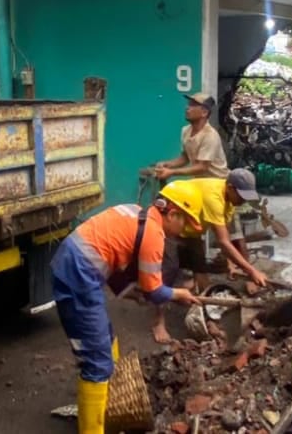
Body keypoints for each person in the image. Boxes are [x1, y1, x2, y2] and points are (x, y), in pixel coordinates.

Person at [51, 182, 203, 434]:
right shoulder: (154, 234)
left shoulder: (136, 212)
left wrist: (130, 292)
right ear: (174, 213)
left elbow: (110, 253)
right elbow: (155, 292)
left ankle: (109, 406)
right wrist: (180, 293)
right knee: (97, 361)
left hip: (76, 264)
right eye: (185, 222)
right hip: (78, 274)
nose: (184, 230)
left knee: (107, 341)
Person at [153, 169, 269, 343]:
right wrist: (252, 271)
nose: (244, 200)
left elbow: (226, 235)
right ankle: (158, 322)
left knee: (201, 269)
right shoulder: (214, 199)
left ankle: (208, 317)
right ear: (230, 187)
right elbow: (223, 241)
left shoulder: (229, 202)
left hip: (190, 225)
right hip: (170, 218)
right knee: (167, 272)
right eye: (242, 195)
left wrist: (230, 263)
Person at [153, 93, 229, 181]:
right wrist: (167, 165)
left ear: (204, 112)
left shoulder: (210, 135)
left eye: (193, 105)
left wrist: (171, 172)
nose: (187, 108)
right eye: (189, 104)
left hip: (217, 182)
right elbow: (184, 158)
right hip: (200, 182)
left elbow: (202, 167)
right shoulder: (186, 131)